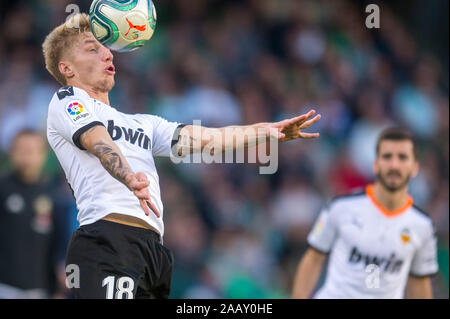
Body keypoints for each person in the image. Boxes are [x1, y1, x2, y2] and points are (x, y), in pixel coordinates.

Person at [42, 13, 321, 299]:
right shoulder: (67, 101)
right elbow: (96, 139)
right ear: (67, 69)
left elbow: (205, 139)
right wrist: (126, 174)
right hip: (108, 238)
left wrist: (266, 131)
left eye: (106, 47)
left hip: (153, 249)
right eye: (92, 48)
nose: (106, 53)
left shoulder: (143, 123)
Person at [291, 127, 439, 299]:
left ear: (414, 168)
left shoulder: (422, 225)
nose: (394, 165)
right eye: (387, 156)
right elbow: (313, 258)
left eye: (402, 157)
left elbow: (420, 281)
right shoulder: (341, 207)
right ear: (375, 165)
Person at [0, 129, 67, 298]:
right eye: (21, 150)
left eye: (31, 151)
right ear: (12, 152)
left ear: (43, 155)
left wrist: (56, 291)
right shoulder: (2, 188)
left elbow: (56, 247)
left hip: (39, 290)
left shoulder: (52, 195)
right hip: (4, 286)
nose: (26, 157)